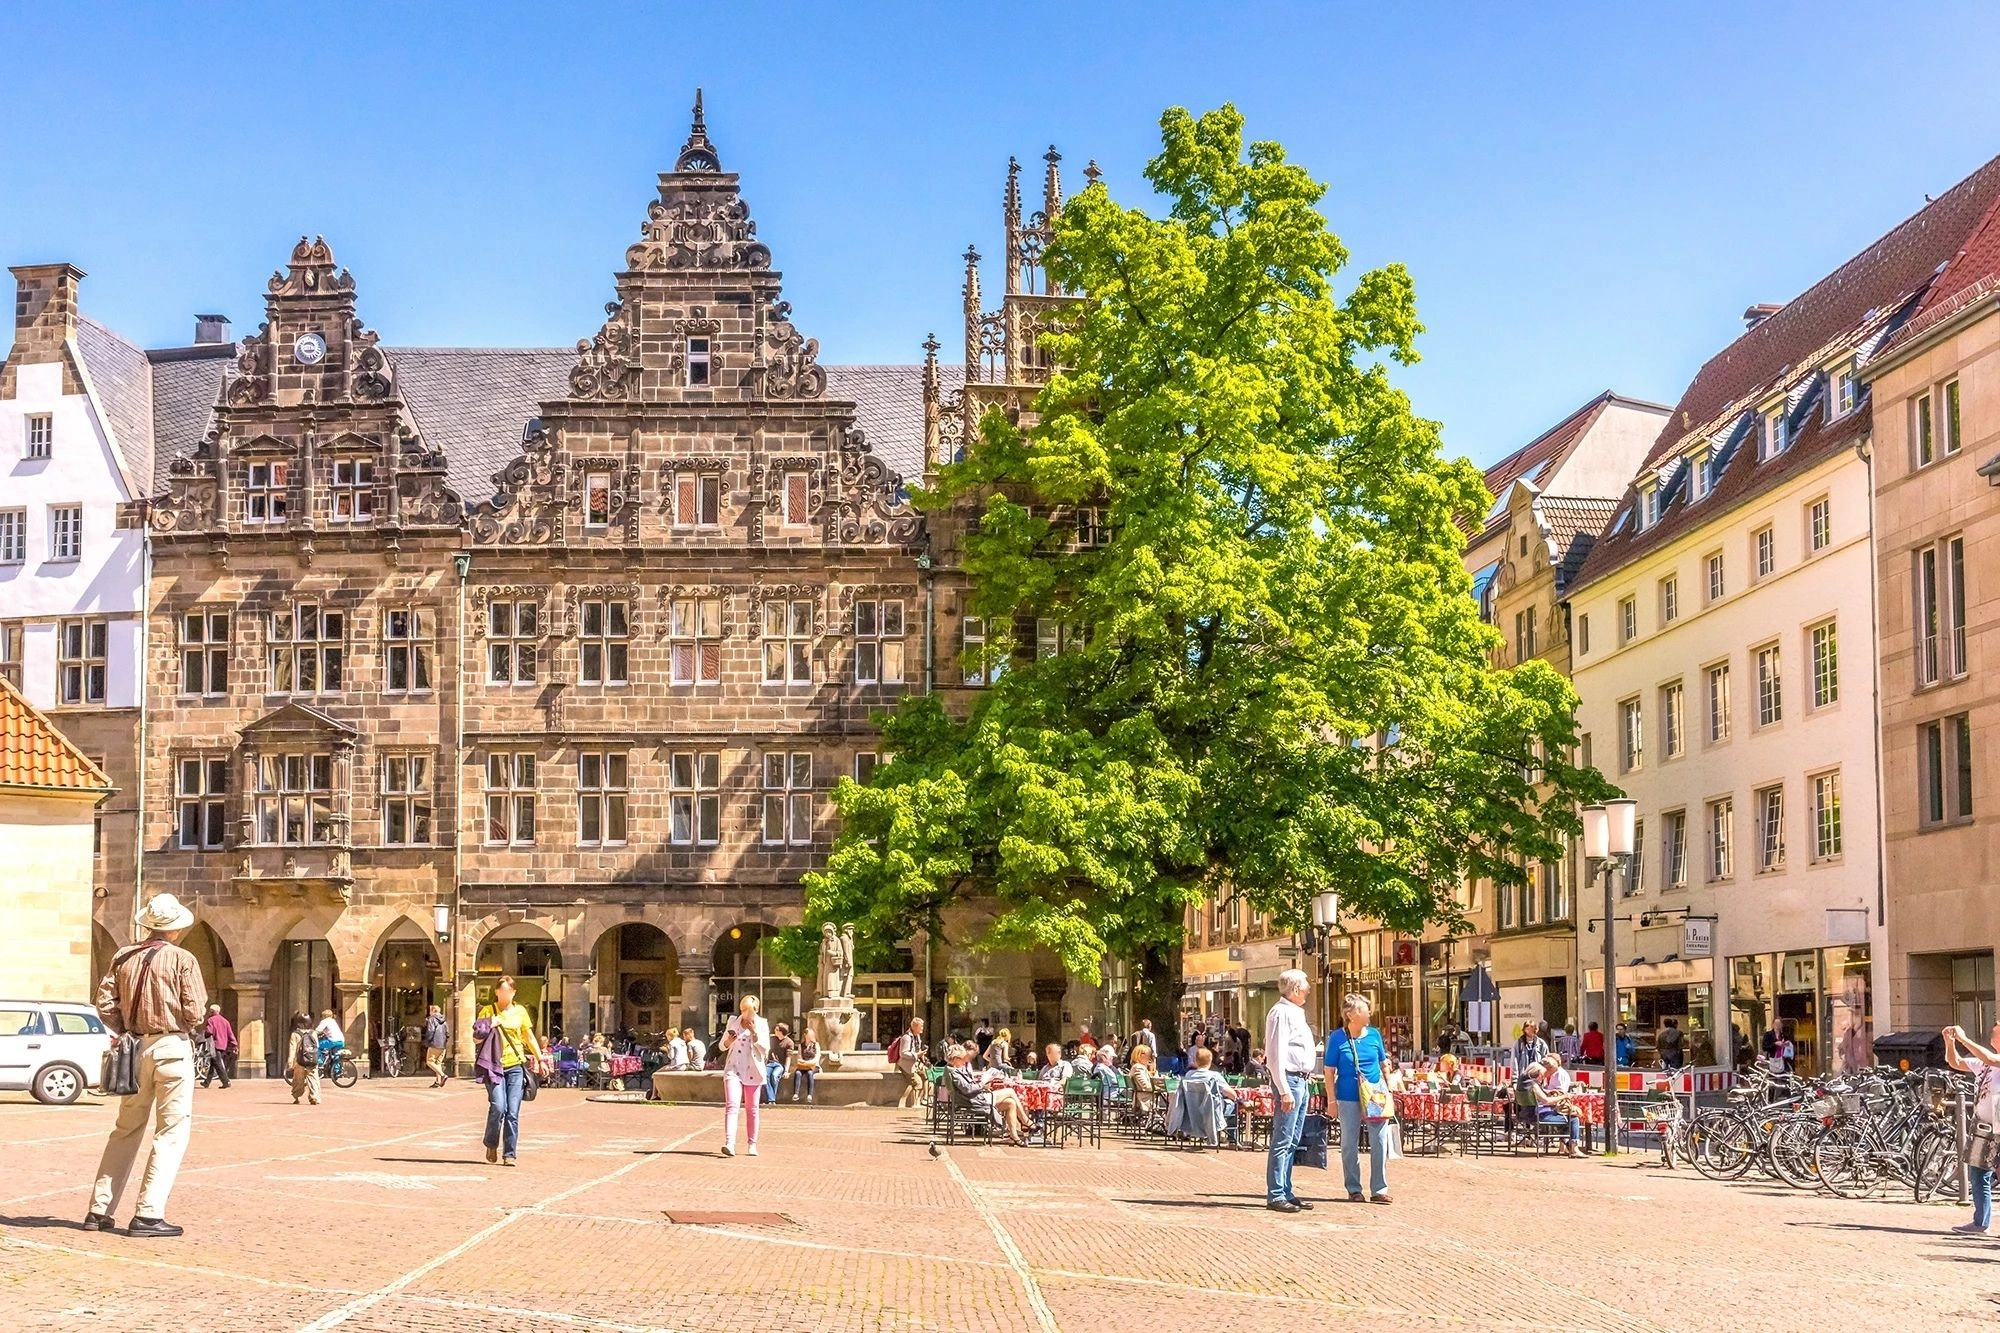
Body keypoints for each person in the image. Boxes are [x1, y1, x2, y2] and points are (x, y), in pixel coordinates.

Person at [86, 893, 206, 1237]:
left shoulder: (124, 955)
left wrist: (124, 1027)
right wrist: (181, 1021)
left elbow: (104, 1001)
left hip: (135, 1047)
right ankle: (148, 1213)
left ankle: (99, 1210)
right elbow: (195, 1010)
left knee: (125, 1129)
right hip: (171, 1044)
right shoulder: (183, 959)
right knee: (170, 1131)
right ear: (176, 929)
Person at [1325, 992, 1393, 1205]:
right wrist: (1331, 1101)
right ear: (1351, 1014)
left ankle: (1379, 1189)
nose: (1369, 1013)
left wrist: (1389, 1087)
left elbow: (1383, 1064)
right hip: (1348, 1096)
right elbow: (1329, 1071)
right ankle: (1354, 1188)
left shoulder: (1374, 1035)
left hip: (1375, 1096)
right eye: (1364, 1009)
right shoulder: (1337, 1038)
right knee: (1349, 1144)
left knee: (1380, 1141)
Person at [1263, 968, 1317, 1214]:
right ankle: (1275, 1193)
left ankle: (1285, 1189)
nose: (1308, 989)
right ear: (1295, 989)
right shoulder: (1280, 1013)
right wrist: (1284, 1089)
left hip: (1302, 1080)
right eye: (1305, 985)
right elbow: (1274, 1054)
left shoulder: (1295, 1012)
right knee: (1283, 1138)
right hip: (1291, 1081)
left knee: (1293, 1139)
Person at [478, 975, 547, 1167]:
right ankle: (491, 1144)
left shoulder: (520, 1012)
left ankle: (510, 1154)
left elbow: (529, 1036)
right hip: (493, 1066)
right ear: (497, 992)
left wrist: (540, 1059)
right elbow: (476, 1038)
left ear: (514, 992)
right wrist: (490, 1024)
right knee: (499, 1107)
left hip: (516, 1065)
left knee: (512, 1112)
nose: (506, 994)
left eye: (509, 990)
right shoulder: (488, 1011)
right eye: (502, 990)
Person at [1944, 1021, 2000, 1235]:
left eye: (1996, 1030)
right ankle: (1981, 1222)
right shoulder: (1984, 1064)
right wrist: (1949, 1042)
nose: (1992, 1031)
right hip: (1986, 1126)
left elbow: (1990, 1058)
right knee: (1978, 1173)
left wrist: (1963, 1039)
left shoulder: (1994, 1060)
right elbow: (1955, 1062)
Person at [943, 1042, 1033, 1145]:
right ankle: (1025, 1121)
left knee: (1011, 1103)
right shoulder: (953, 1072)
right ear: (955, 1059)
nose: (964, 1061)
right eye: (963, 1059)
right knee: (1010, 1091)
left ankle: (1014, 1136)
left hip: (974, 1098)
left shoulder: (952, 1070)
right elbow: (968, 1089)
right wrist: (982, 1083)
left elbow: (967, 1088)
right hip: (973, 1101)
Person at [720, 995, 771, 1156]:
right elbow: (722, 1046)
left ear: (755, 1010)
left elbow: (765, 1050)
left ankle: (752, 1143)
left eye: (748, 1011)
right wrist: (728, 1041)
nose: (745, 1014)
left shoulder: (762, 1023)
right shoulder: (733, 1021)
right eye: (742, 1010)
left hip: (753, 1069)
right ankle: (730, 1143)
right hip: (733, 1069)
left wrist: (755, 1033)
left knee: (752, 1108)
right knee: (732, 1105)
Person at [1175, 1046, 1242, 1146]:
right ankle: (1232, 1139)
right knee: (1233, 1104)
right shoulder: (1214, 1076)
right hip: (1211, 1113)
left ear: (1195, 1061)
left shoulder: (1189, 1075)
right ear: (1210, 1061)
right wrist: (1236, 1097)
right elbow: (1231, 1094)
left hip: (1191, 1113)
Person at [1519, 1055, 1584, 1157]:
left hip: (1524, 1114)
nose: (1543, 1076)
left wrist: (1549, 1091)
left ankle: (1568, 1145)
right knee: (1573, 1118)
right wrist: (1564, 1096)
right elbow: (1546, 1101)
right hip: (1536, 1116)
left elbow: (1541, 1094)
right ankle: (1574, 1148)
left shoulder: (1522, 1082)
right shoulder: (1533, 1085)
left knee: (1562, 1116)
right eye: (1542, 1074)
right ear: (1538, 1073)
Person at [287, 1010, 322, 1106]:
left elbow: (293, 1049)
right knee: (314, 1078)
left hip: (300, 1061)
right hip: (312, 1060)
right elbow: (316, 1047)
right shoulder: (313, 1033)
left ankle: (297, 1096)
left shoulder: (295, 1034)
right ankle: (314, 1096)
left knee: (298, 1080)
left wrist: (290, 1063)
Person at [891, 1017, 928, 1109]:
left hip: (915, 1064)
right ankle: (915, 1104)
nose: (922, 1028)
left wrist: (922, 1054)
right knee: (917, 1082)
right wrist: (916, 1055)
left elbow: (916, 1048)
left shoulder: (917, 1036)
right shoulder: (906, 1037)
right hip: (906, 1066)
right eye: (921, 1026)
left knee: (927, 1076)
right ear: (915, 1027)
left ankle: (924, 1099)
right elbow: (903, 1053)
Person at [199, 1003, 235, 1088]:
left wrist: (205, 1035)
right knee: (214, 1063)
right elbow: (230, 1034)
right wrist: (234, 1044)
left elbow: (209, 1031)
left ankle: (226, 1081)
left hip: (214, 1044)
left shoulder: (211, 1020)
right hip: (223, 1045)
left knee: (218, 1063)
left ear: (211, 1011)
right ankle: (207, 1082)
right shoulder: (225, 1021)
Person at [766, 1022, 796, 1105]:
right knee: (766, 1075)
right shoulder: (772, 1039)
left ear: (781, 1032)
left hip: (780, 1065)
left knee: (774, 1076)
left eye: (776, 1030)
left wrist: (786, 1070)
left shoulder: (789, 1042)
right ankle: (771, 1099)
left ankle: (772, 1098)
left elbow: (788, 1057)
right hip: (770, 1063)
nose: (774, 1031)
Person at [422, 1004, 450, 1088]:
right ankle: (438, 1082)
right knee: (438, 1063)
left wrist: (427, 1041)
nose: (429, 1012)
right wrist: (444, 1042)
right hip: (443, 1045)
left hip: (434, 1043)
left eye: (430, 1010)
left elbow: (430, 1031)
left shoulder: (432, 1019)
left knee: (429, 1061)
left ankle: (442, 1075)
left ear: (433, 1011)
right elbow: (447, 1033)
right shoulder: (444, 1020)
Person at [794, 1030, 820, 1102]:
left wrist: (808, 1063)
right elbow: (799, 1057)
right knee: (798, 1073)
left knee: (810, 1073)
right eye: (809, 1034)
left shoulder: (816, 1045)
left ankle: (810, 1095)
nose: (811, 1036)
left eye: (812, 1034)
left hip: (813, 1066)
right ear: (805, 1035)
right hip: (803, 1065)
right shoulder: (801, 1045)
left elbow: (817, 1058)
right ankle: (796, 1094)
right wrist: (804, 1062)